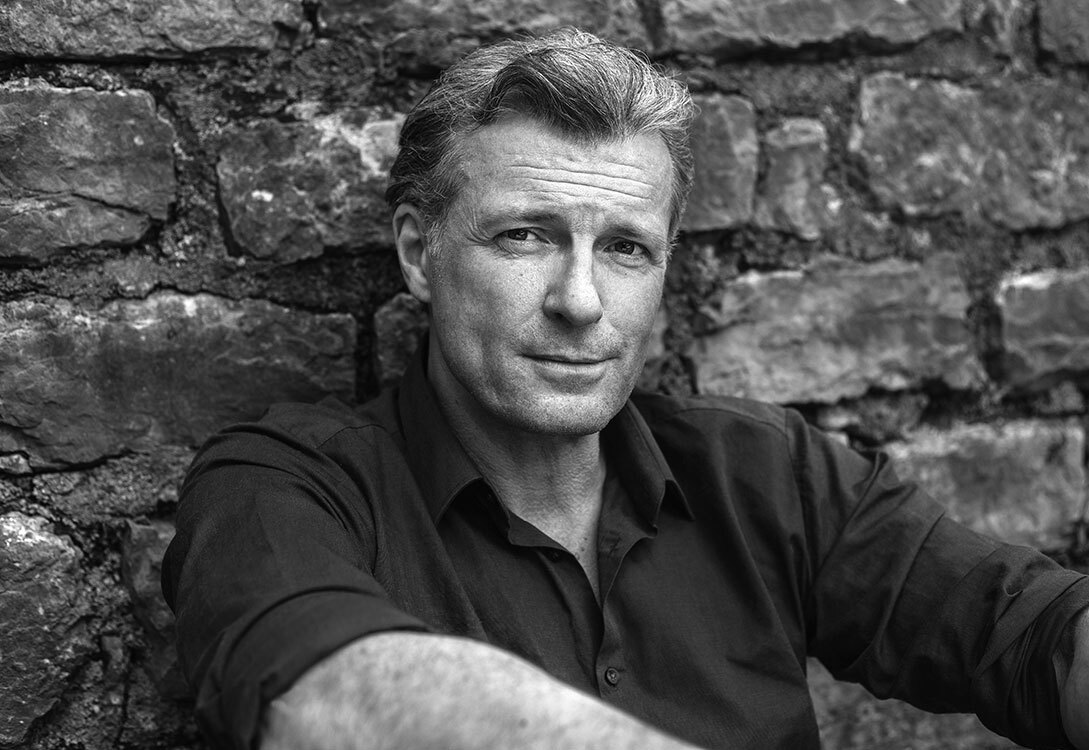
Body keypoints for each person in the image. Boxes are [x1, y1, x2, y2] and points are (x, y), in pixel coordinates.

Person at [162, 28, 1089, 750]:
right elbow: (323, 691)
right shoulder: (284, 485)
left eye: (625, 248)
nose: (580, 301)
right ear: (418, 251)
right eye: (524, 236)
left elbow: (1025, 631)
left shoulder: (765, 475)